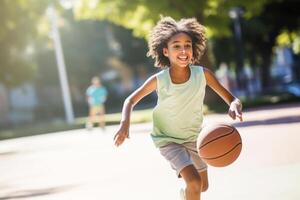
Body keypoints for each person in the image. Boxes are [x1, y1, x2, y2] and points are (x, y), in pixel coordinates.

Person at [113, 17, 243, 200]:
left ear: (193, 48)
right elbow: (130, 100)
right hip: (168, 140)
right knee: (194, 183)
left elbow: (232, 98)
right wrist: (124, 123)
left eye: (187, 45)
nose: (183, 50)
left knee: (202, 186)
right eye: (176, 46)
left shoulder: (203, 74)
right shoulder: (160, 80)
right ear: (165, 51)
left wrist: (235, 104)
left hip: (195, 138)